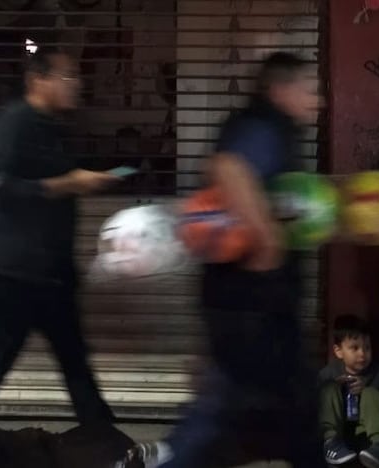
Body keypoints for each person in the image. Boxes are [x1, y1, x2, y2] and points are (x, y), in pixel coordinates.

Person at [120, 52, 324, 468]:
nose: (318, 99)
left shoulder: (272, 128)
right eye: (310, 88)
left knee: (264, 406)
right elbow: (229, 168)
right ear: (280, 88)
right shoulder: (262, 126)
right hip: (251, 302)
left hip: (248, 301)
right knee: (247, 405)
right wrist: (267, 244)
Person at [0, 48, 119, 425]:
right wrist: (68, 183)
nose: (76, 85)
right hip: (13, 268)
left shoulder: (53, 128)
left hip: (47, 269)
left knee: (71, 356)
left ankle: (103, 437)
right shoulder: (13, 122)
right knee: (0, 358)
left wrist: (80, 182)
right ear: (38, 80)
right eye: (67, 77)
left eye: (76, 77)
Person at [319, 314, 379, 468]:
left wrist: (366, 390)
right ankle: (331, 445)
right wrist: (337, 388)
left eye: (367, 348)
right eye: (354, 348)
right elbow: (314, 406)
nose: (362, 354)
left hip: (369, 435)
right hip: (341, 433)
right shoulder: (329, 373)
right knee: (328, 389)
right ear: (339, 351)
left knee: (371, 394)